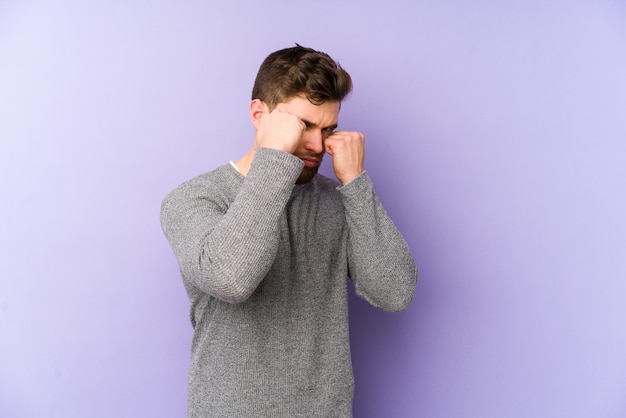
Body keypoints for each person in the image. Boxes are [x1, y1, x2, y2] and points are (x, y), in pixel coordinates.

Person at [160, 44, 417, 418]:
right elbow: (231, 279)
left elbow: (394, 292)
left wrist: (356, 183)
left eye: (328, 128)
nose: (316, 145)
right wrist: (276, 158)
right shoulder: (194, 198)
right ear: (258, 113)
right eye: (303, 125)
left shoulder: (340, 200)